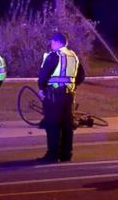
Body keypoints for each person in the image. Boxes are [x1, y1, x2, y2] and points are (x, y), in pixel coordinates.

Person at [36, 32, 85, 163]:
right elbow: (81, 77)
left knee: (52, 125)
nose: (51, 44)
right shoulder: (74, 57)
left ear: (58, 42)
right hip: (69, 96)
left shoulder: (54, 56)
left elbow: (43, 76)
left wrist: (42, 89)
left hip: (54, 95)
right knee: (67, 125)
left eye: (52, 42)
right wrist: (70, 86)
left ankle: (52, 155)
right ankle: (66, 155)